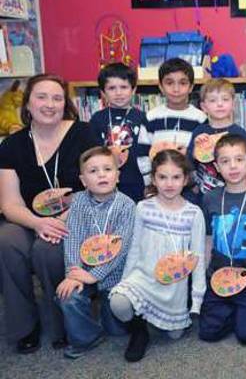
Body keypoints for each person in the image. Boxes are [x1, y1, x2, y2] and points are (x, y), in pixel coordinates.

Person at [0, 73, 97, 353]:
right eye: (41, 97)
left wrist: (58, 222)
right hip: (26, 218)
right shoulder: (11, 145)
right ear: (27, 104)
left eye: (57, 98)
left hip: (76, 215)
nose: (50, 104)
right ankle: (24, 326)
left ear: (65, 103)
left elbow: (94, 186)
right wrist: (38, 222)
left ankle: (63, 323)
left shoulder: (83, 133)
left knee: (49, 249)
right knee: (6, 242)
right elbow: (9, 203)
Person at [109, 150, 206, 362]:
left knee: (174, 336)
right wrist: (125, 282)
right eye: (162, 177)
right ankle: (139, 328)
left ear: (185, 179)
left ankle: (161, 316)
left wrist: (197, 299)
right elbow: (134, 247)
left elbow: (198, 258)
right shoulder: (143, 208)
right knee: (118, 303)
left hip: (174, 286)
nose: (169, 183)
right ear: (153, 179)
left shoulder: (194, 213)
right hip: (143, 277)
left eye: (176, 177)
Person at [56, 147, 136, 359]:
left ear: (117, 176)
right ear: (83, 181)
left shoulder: (127, 206)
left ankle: (106, 314)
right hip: (83, 271)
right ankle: (87, 337)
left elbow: (121, 249)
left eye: (107, 169)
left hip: (116, 276)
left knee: (118, 331)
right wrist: (73, 274)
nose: (101, 174)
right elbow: (72, 239)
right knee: (68, 295)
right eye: (93, 171)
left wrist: (95, 276)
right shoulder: (79, 202)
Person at [198, 134, 246, 345]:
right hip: (219, 278)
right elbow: (208, 239)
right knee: (208, 333)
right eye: (225, 161)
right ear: (216, 167)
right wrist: (205, 276)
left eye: (239, 160)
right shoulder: (210, 198)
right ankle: (235, 314)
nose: (233, 166)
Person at [137, 58, 207, 183]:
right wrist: (149, 182)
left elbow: (203, 155)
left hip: (190, 185)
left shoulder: (200, 119)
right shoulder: (151, 117)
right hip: (159, 184)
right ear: (161, 87)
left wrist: (195, 182)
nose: (176, 89)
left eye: (183, 83)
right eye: (169, 83)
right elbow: (142, 154)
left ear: (191, 87)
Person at [89, 63, 146, 201]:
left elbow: (146, 152)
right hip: (104, 183)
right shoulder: (97, 118)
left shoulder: (142, 117)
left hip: (135, 181)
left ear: (133, 90)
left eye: (124, 87)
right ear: (103, 92)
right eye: (112, 88)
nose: (118, 93)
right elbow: (91, 151)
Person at [186, 78, 246, 201]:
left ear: (233, 103)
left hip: (234, 194)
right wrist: (194, 152)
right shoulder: (199, 132)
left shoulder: (239, 133)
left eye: (225, 99)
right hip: (203, 196)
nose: (220, 104)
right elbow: (187, 165)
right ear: (204, 106)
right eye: (213, 100)